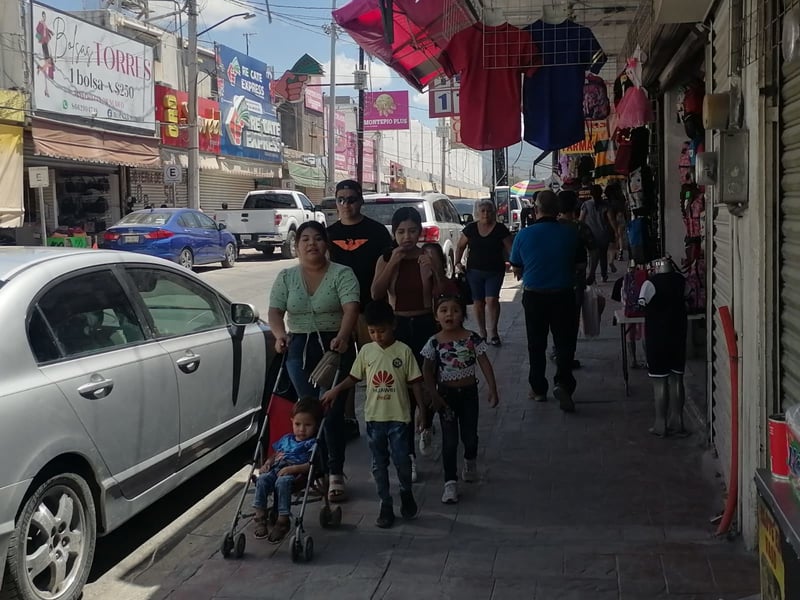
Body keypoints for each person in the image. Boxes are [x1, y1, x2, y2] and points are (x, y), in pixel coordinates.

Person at [268, 221, 360, 502]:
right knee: (308, 413)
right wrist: (279, 335)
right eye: (305, 239)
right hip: (298, 348)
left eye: (317, 239)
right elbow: (274, 312)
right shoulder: (286, 277)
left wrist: (343, 337)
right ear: (296, 246)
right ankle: (311, 469)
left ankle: (334, 473)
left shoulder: (342, 274)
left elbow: (351, 308)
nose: (311, 244)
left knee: (329, 412)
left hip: (333, 348)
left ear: (326, 244)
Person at [322, 301, 424, 528]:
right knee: (378, 465)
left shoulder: (404, 351)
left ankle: (405, 492)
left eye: (382, 330)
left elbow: (416, 383)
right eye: (372, 332)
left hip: (399, 419)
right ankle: (385, 504)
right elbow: (354, 377)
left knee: (402, 461)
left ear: (393, 325)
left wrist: (422, 413)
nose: (377, 336)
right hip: (374, 420)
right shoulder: (366, 352)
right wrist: (336, 390)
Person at [371, 207, 445, 480]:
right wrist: (393, 263)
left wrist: (433, 273)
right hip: (398, 327)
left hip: (426, 324)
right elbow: (376, 293)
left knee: (428, 386)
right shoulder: (387, 257)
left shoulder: (428, 255)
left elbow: (443, 293)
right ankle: (409, 455)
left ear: (420, 232)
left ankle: (425, 424)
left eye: (412, 231)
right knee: (403, 391)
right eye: (401, 231)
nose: (407, 237)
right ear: (394, 233)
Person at [327, 179, 393, 438]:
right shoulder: (328, 234)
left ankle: (383, 416)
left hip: (371, 309)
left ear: (361, 201)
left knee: (378, 363)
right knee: (344, 367)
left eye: (351, 199)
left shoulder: (377, 232)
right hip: (339, 312)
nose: (346, 204)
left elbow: (389, 270)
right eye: (341, 199)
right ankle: (349, 418)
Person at [510, 190, 585, 412]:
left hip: (534, 296)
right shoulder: (571, 233)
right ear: (558, 210)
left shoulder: (524, 235)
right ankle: (563, 383)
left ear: (536, 210)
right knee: (564, 342)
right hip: (563, 294)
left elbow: (516, 267)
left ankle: (538, 389)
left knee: (536, 343)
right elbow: (581, 266)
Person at [421, 294, 499, 504]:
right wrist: (433, 395)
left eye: (455, 310)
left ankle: (470, 461)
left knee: (470, 435)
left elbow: (484, 363)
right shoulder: (434, 342)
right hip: (446, 397)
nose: (449, 314)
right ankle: (450, 483)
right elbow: (427, 371)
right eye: (444, 310)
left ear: (463, 315)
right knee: (450, 440)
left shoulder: (472, 338)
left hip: (469, 395)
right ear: (436, 316)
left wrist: (492, 387)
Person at [252, 397, 322, 543]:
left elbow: (312, 465)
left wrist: (292, 469)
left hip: (295, 474)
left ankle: (282, 521)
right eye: (298, 424)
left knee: (282, 482)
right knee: (263, 479)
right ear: (291, 421)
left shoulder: (311, 443)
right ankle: (260, 517)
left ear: (316, 426)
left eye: (307, 425)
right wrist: (267, 463)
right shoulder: (286, 438)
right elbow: (274, 456)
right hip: (275, 470)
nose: (301, 429)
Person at [455, 199, 512, 345]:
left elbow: (510, 248)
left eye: (489, 210)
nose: (486, 213)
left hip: (495, 271)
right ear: (478, 213)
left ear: (494, 212)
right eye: (483, 211)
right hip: (474, 271)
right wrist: (457, 262)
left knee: (492, 300)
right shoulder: (471, 228)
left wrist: (513, 263)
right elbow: (460, 246)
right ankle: (482, 331)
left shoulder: (500, 229)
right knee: (478, 302)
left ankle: (493, 331)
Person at [556, 190, 595, 369]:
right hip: (575, 281)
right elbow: (594, 249)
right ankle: (568, 356)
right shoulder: (580, 227)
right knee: (572, 320)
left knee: (555, 319)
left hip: (553, 280)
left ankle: (557, 350)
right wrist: (592, 271)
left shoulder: (552, 227)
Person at [580, 185, 617, 284]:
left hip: (590, 235)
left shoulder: (586, 205)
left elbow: (581, 220)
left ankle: (593, 276)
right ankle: (604, 275)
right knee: (603, 255)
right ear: (601, 193)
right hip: (603, 234)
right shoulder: (606, 205)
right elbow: (612, 220)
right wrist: (616, 231)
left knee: (592, 256)